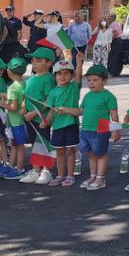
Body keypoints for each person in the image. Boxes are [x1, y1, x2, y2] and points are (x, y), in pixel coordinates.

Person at [78, 63, 119, 191]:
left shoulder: (108, 96)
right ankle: (93, 176)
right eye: (89, 80)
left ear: (104, 81)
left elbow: (114, 114)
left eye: (95, 80)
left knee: (101, 154)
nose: (91, 83)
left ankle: (100, 178)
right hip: (85, 129)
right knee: (91, 155)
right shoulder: (88, 95)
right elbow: (80, 111)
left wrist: (115, 131)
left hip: (100, 130)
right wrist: (65, 110)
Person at [19, 46, 57, 184]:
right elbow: (26, 96)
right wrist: (23, 107)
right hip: (29, 118)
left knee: (43, 143)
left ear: (49, 63)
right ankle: (36, 170)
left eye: (39, 61)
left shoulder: (48, 79)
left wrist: (34, 112)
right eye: (33, 60)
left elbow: (49, 101)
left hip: (42, 119)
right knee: (34, 144)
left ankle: (46, 171)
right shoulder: (30, 79)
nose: (34, 63)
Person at [44, 59, 83, 187]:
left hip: (71, 125)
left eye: (66, 73)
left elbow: (79, 76)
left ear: (71, 76)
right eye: (59, 74)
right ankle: (60, 176)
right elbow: (51, 111)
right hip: (57, 126)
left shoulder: (74, 87)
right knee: (59, 152)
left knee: (70, 151)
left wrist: (79, 62)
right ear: (55, 76)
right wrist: (46, 122)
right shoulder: (53, 92)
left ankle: (70, 176)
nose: (62, 76)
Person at [4, 57, 30, 176]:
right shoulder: (24, 84)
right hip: (20, 121)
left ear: (9, 71)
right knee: (16, 145)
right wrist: (7, 98)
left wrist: (3, 104)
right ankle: (11, 166)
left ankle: (19, 169)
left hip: (15, 122)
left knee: (18, 146)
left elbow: (13, 107)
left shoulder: (12, 88)